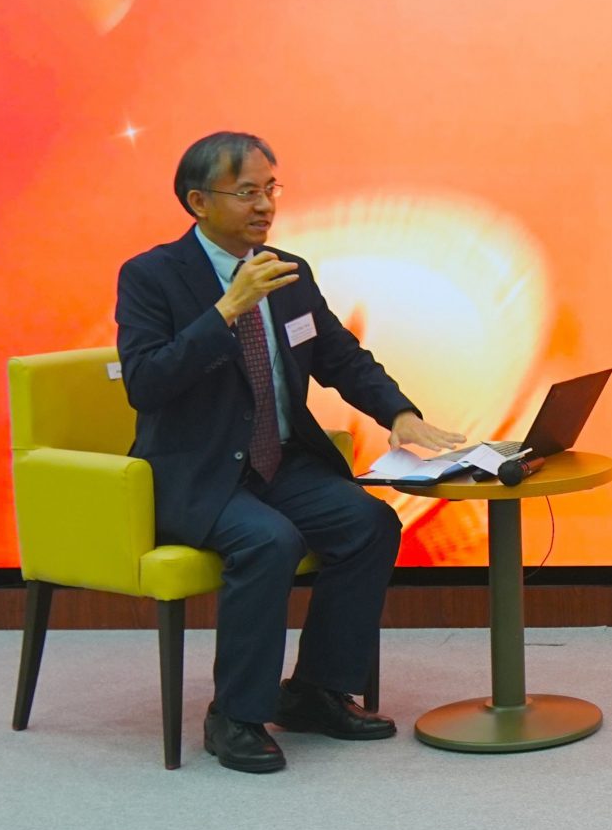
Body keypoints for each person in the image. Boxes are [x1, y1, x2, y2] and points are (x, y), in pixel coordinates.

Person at [116, 132, 464, 773]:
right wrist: (227, 309)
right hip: (198, 471)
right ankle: (235, 715)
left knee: (368, 524)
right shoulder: (151, 276)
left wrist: (399, 413)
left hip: (279, 462)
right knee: (268, 541)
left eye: (270, 188)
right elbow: (146, 382)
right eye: (246, 191)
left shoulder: (288, 271)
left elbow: (339, 356)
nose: (264, 205)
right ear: (198, 201)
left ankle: (314, 692)